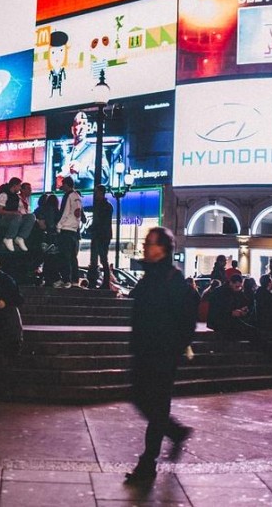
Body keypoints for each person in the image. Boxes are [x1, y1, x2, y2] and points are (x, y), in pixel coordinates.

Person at [124, 227, 197, 484]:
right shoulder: (150, 276)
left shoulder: (173, 279)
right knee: (141, 399)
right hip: (145, 352)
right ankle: (175, 432)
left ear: (163, 248)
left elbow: (187, 319)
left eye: (151, 243)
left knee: (155, 408)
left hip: (163, 355)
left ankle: (147, 463)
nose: (146, 246)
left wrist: (175, 347)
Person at [54, 176, 83, 289]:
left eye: (63, 185)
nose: (62, 188)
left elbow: (65, 212)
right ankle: (75, 280)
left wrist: (59, 225)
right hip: (74, 229)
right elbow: (78, 213)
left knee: (64, 256)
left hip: (66, 229)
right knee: (72, 257)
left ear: (66, 185)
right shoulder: (78, 196)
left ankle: (66, 280)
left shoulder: (68, 196)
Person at [0, 178, 35, 252]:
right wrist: (13, 213)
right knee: (17, 216)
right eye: (19, 186)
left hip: (14, 219)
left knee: (30, 217)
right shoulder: (4, 195)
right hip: (2, 219)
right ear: (14, 185)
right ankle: (8, 237)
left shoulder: (16, 197)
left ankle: (20, 237)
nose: (20, 188)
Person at [87, 185, 113, 289]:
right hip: (101, 235)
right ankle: (99, 281)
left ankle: (103, 282)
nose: (95, 194)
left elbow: (100, 222)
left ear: (101, 193)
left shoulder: (104, 206)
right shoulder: (104, 205)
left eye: (96, 192)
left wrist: (92, 228)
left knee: (102, 258)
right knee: (99, 259)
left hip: (102, 235)